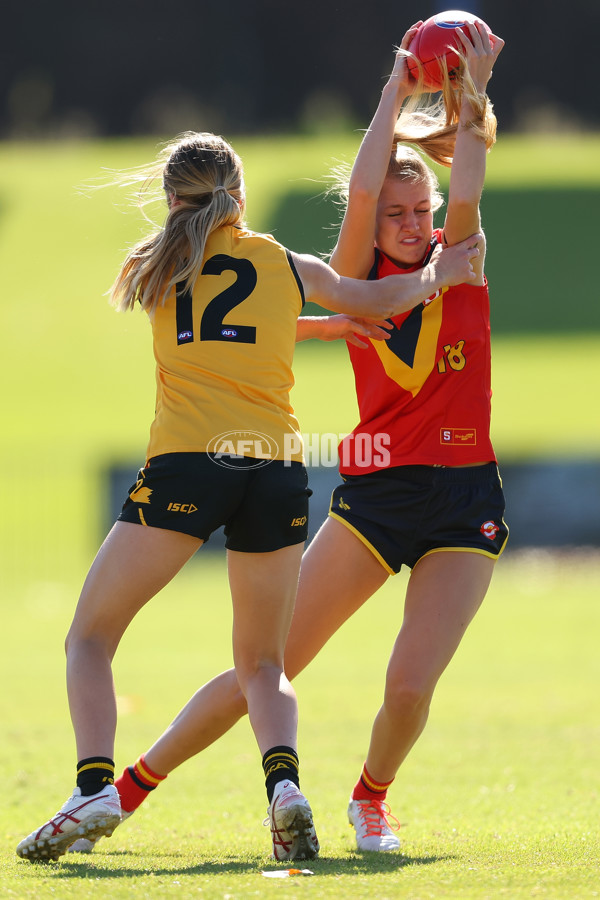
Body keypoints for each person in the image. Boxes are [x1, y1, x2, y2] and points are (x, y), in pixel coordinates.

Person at [16, 130, 481, 864]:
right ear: (242, 196)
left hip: (186, 466)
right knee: (264, 663)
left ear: (173, 200)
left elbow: (216, 328)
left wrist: (318, 327)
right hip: (273, 468)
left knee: (91, 637)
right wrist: (437, 275)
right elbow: (376, 295)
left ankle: (92, 785)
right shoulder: (278, 261)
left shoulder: (154, 263)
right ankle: (285, 788)